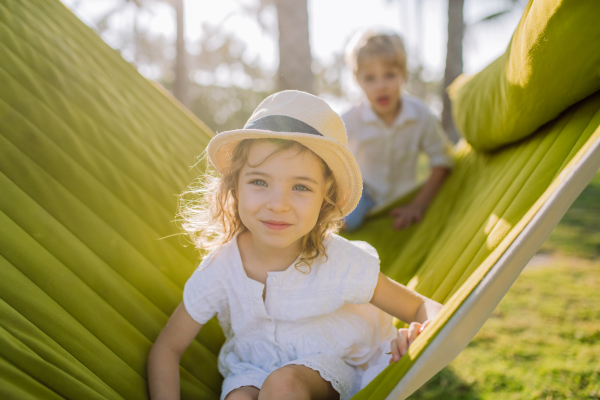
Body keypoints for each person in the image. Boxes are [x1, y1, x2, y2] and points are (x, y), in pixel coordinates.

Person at [147, 91, 442, 400]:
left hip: (324, 369)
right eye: (260, 182)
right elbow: (167, 347)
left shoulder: (339, 262)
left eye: (300, 187)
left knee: (282, 385)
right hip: (250, 369)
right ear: (235, 186)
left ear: (325, 200)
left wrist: (420, 332)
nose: (278, 204)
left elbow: (423, 307)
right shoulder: (222, 266)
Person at [342, 30, 454, 231]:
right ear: (358, 81)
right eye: (370, 78)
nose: (381, 86)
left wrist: (418, 205)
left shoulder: (420, 115)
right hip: (363, 195)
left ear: (403, 75)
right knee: (345, 219)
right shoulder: (350, 120)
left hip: (403, 197)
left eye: (389, 75)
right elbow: (328, 161)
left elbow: (442, 160)